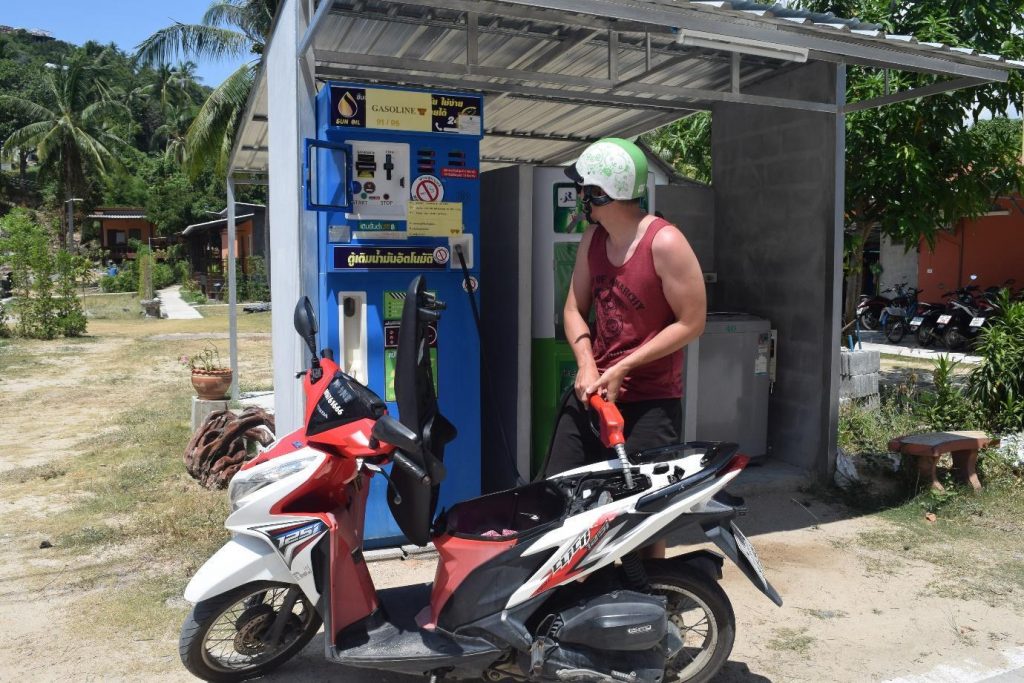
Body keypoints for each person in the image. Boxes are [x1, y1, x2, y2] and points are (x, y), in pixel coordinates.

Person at [544, 137, 707, 494]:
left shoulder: (665, 242)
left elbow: (692, 321)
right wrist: (587, 364)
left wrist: (624, 367)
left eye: (584, 188)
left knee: (640, 512)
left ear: (600, 195)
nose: (580, 196)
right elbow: (573, 308)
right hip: (594, 391)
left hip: (651, 400)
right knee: (559, 492)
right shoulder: (593, 238)